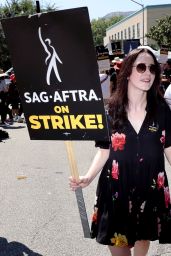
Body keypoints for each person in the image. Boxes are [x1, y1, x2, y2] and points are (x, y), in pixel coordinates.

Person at [69, 48, 171, 256]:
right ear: (127, 72)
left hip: (150, 187)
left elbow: (169, 148)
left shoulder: (162, 110)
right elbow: (104, 151)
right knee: (118, 245)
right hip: (116, 189)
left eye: (152, 68)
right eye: (141, 67)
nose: (148, 73)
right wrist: (88, 177)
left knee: (144, 236)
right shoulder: (111, 110)